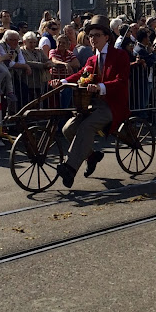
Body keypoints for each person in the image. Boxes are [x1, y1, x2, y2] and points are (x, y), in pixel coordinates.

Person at [52, 15, 130, 187]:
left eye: (96, 35)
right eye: (90, 36)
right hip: (92, 104)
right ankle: (92, 156)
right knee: (68, 129)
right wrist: (63, 82)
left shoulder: (119, 56)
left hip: (112, 105)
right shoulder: (92, 59)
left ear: (107, 37)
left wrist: (100, 87)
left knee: (86, 127)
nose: (92, 39)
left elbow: (121, 81)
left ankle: (70, 168)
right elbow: (83, 75)